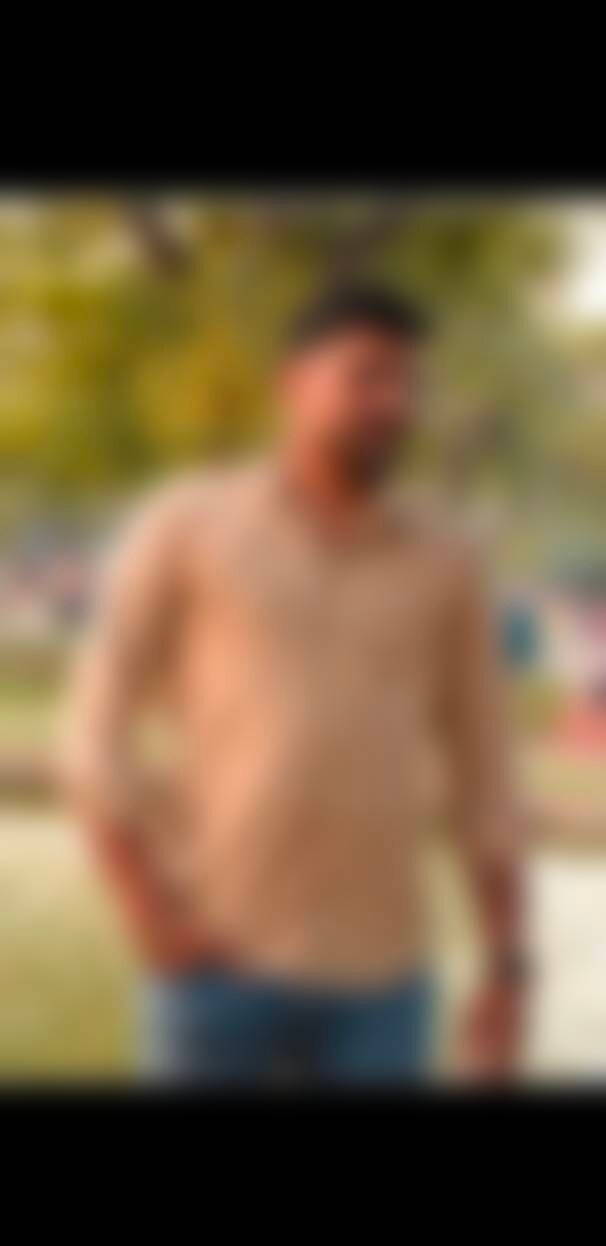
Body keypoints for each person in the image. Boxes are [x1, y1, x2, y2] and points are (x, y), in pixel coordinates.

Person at [63, 282, 526, 1085]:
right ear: (292, 383)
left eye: (408, 383)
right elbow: (92, 727)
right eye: (368, 376)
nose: (394, 403)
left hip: (383, 983)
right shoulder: (189, 528)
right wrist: (146, 911)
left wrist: (508, 965)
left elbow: (486, 771)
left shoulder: (447, 561)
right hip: (215, 969)